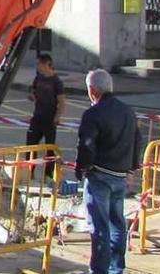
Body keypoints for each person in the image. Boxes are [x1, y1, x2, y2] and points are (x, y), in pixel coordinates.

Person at [76, 69, 142, 274]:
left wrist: (82, 169)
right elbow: (137, 140)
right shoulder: (127, 111)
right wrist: (131, 168)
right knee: (117, 225)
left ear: (91, 90)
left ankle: (99, 270)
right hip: (120, 176)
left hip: (100, 176)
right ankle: (116, 268)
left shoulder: (93, 113)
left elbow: (86, 146)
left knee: (100, 227)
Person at [26, 53, 65, 179]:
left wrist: (57, 117)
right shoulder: (38, 79)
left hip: (49, 119)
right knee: (31, 145)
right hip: (37, 117)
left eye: (39, 64)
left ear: (46, 64)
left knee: (49, 148)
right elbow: (33, 91)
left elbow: (62, 102)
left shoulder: (56, 82)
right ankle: (29, 170)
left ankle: (48, 173)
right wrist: (32, 96)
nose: (37, 66)